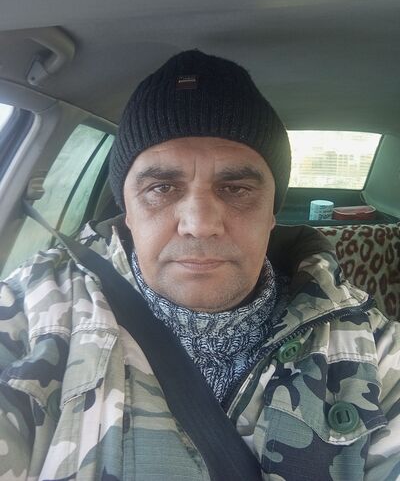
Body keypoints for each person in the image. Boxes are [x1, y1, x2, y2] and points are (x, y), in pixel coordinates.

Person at [0, 50, 399, 481]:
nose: (200, 224)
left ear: (272, 214)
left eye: (236, 188)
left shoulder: (372, 351)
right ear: (126, 212)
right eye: (161, 188)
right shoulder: (34, 315)